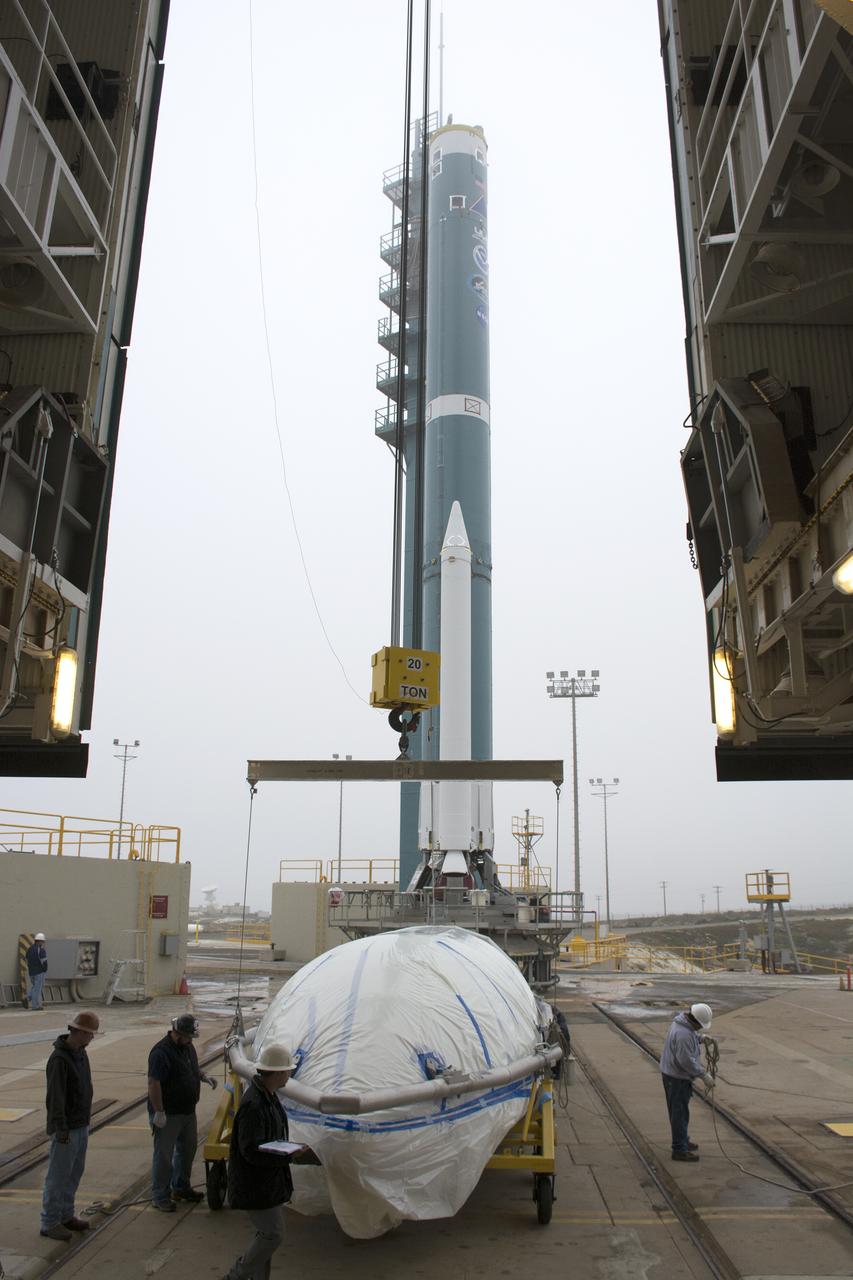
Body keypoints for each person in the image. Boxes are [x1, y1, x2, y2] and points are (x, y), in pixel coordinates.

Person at [224, 1043, 315, 1280]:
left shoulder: (268, 1096)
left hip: (267, 1182)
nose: (289, 1074)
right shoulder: (255, 1104)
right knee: (272, 1234)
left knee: (266, 1236)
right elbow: (251, 1151)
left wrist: (286, 1150)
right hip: (256, 1184)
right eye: (286, 1071)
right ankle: (236, 1276)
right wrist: (285, 1155)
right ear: (276, 1073)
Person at [40, 1010, 102, 1241]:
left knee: (74, 1172)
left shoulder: (80, 1053)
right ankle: (49, 1221)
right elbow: (56, 1098)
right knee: (58, 1175)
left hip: (80, 1123)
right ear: (79, 1032)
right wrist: (61, 1130)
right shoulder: (60, 1059)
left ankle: (66, 1215)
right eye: (90, 1034)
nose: (92, 1038)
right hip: (66, 1128)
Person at [147, 1014, 217, 1212]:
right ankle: (160, 1195)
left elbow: (190, 1068)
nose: (191, 1041)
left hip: (187, 1111)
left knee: (187, 1151)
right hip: (168, 1114)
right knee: (164, 1156)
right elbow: (154, 1083)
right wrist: (159, 1112)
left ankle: (181, 1187)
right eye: (188, 1037)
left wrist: (203, 1076)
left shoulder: (187, 1046)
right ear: (178, 1034)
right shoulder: (161, 1052)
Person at [660, 1001, 715, 1162]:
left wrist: (700, 1039)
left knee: (682, 1112)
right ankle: (679, 1149)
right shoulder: (683, 1034)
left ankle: (683, 1140)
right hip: (676, 1079)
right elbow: (686, 1061)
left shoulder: (682, 1024)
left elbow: (690, 1037)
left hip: (675, 1076)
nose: (700, 1028)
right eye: (700, 1026)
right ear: (695, 1021)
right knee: (679, 1114)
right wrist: (703, 1074)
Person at [25, 932, 48, 1010]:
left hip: (31, 972)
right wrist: (45, 969)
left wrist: (30, 968)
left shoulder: (30, 949)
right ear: (39, 941)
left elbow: (26, 960)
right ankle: (35, 1006)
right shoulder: (41, 950)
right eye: (42, 941)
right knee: (37, 989)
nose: (43, 943)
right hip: (39, 972)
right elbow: (44, 962)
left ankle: (28, 997)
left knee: (35, 987)